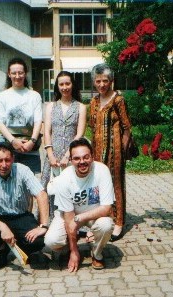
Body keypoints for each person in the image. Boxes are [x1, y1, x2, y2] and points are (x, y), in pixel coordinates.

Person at [0, 142, 49, 270]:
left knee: (39, 240)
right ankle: (2, 250)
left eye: (7, 160)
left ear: (12, 158)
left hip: (22, 216)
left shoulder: (23, 170)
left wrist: (44, 225)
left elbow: (41, 194)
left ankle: (25, 249)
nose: (4, 165)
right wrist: (3, 227)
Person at [44, 138, 115, 271]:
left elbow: (106, 208)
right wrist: (74, 252)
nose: (82, 162)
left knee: (106, 225)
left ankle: (97, 252)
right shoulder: (63, 179)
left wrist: (81, 218)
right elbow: (69, 218)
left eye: (86, 157)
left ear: (92, 157)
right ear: (71, 160)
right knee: (51, 241)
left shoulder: (102, 170)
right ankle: (71, 247)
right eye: (77, 158)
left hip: (94, 214)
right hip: (70, 214)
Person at [89, 63, 131, 242]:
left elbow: (127, 127)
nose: (101, 84)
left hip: (115, 150)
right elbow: (92, 126)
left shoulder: (118, 100)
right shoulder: (94, 101)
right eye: (98, 81)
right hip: (97, 150)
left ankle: (119, 222)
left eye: (105, 81)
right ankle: (98, 219)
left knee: (115, 184)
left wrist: (122, 149)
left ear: (111, 81)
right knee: (96, 184)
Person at [41, 71, 87, 220]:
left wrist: (69, 154)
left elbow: (79, 133)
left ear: (73, 85)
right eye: (61, 84)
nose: (65, 87)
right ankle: (49, 221)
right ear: (57, 86)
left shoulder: (80, 107)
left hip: (72, 156)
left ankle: (72, 221)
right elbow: (47, 131)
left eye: (68, 83)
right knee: (50, 187)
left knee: (71, 188)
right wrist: (50, 154)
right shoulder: (50, 107)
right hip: (53, 155)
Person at [0, 57, 43, 174]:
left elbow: (38, 121)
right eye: (14, 73)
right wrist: (13, 141)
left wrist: (32, 141)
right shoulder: (2, 96)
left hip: (29, 146)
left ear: (25, 74)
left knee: (29, 183)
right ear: (9, 74)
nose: (17, 76)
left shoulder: (34, 95)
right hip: (7, 146)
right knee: (7, 182)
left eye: (20, 72)